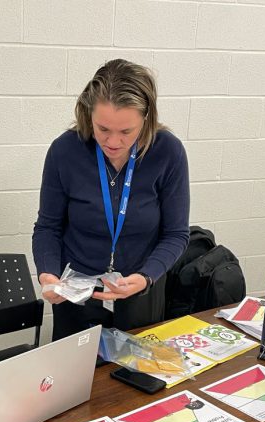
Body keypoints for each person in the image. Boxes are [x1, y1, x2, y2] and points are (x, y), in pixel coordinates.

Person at [33, 59, 190, 341]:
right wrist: (48, 275)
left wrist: (146, 277)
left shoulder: (168, 152)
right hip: (78, 295)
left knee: (136, 380)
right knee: (76, 382)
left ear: (146, 119)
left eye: (126, 131)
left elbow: (176, 234)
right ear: (87, 115)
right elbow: (48, 227)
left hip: (139, 291)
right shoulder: (65, 151)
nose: (113, 142)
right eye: (103, 129)